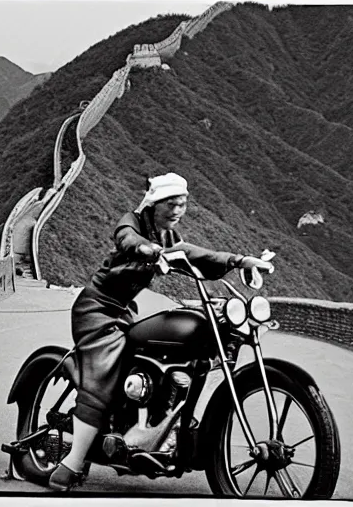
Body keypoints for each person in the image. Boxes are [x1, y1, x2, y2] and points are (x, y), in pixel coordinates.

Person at [48, 172, 273, 491]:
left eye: (182, 204)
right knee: (101, 379)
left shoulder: (167, 236)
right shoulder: (133, 221)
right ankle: (71, 464)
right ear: (155, 203)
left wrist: (239, 261)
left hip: (126, 309)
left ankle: (156, 422)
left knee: (169, 348)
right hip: (97, 309)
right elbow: (126, 238)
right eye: (172, 203)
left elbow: (195, 254)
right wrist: (149, 251)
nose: (178, 209)